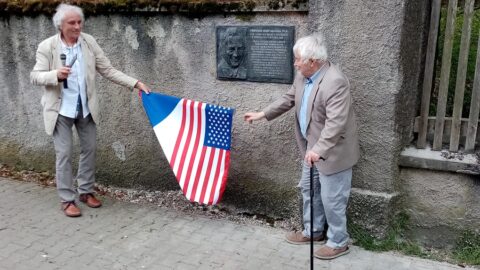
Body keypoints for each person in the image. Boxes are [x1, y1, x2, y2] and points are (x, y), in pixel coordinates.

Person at [244, 33, 359, 260]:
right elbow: (288, 99)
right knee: (309, 191)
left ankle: (338, 241)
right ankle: (313, 231)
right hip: (311, 149)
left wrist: (319, 149)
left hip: (333, 152)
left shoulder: (335, 81)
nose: (295, 63)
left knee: (332, 198)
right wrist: (262, 114)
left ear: (312, 62)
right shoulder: (303, 76)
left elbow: (336, 123)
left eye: (298, 59)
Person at [30, 4, 151, 218]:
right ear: (60, 25)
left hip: (85, 108)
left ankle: (85, 191)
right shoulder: (47, 47)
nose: (77, 26)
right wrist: (55, 75)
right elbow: (35, 75)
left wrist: (135, 83)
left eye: (79, 22)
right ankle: (67, 199)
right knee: (64, 154)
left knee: (90, 149)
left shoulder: (88, 42)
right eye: (72, 23)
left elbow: (107, 70)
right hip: (60, 110)